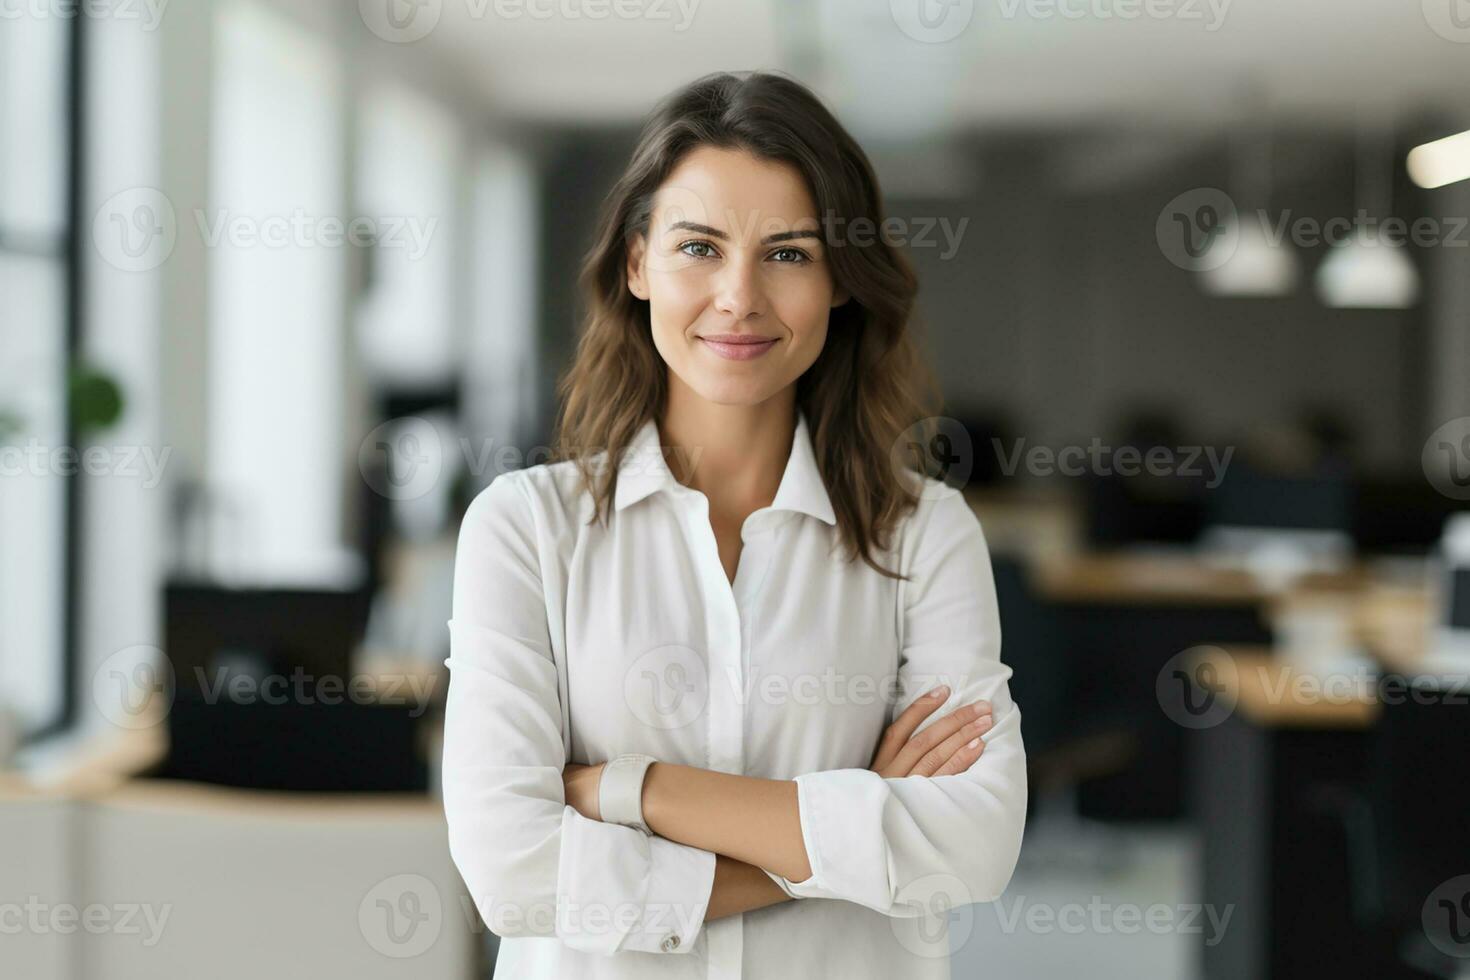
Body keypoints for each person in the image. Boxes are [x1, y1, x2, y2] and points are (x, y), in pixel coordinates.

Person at [441, 70, 1027, 979]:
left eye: (788, 252)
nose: (739, 297)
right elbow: (511, 870)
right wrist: (855, 829)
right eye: (699, 247)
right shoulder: (523, 531)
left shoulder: (926, 534)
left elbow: (975, 845)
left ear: (840, 279)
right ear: (637, 263)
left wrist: (637, 792)